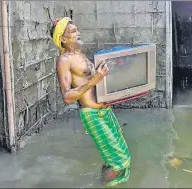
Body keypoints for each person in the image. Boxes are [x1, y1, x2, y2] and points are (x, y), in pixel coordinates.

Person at [50, 17, 131, 186]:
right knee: (120, 162)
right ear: (63, 39)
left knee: (117, 154)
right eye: (73, 31)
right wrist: (95, 79)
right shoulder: (64, 60)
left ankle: (103, 177)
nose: (78, 33)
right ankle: (100, 185)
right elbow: (67, 97)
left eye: (77, 29)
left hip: (105, 111)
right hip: (93, 115)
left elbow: (95, 81)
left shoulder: (80, 55)